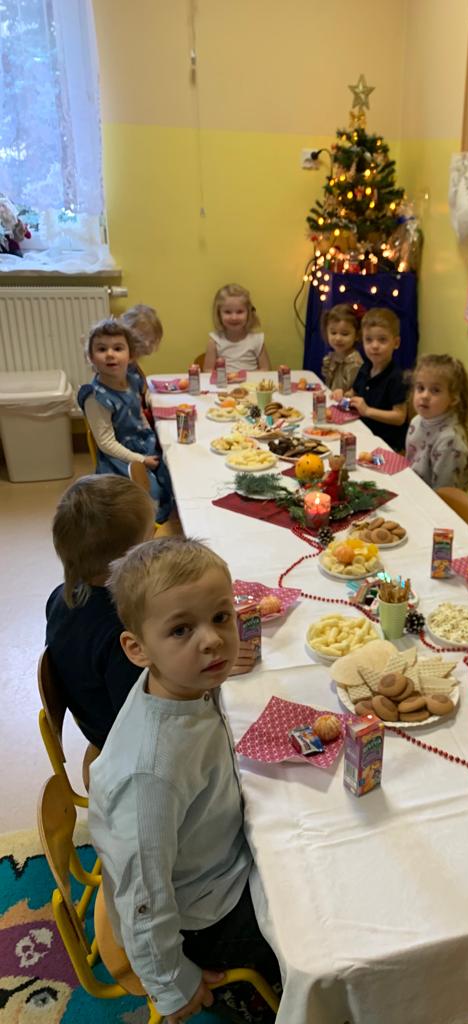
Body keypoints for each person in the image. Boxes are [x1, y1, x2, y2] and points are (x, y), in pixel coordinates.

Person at [89, 537, 280, 1024]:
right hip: (204, 918)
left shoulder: (180, 683)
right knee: (313, 929)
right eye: (181, 630)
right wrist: (171, 982)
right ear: (137, 649)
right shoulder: (151, 774)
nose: (212, 640)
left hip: (213, 861)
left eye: (220, 617)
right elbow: (143, 893)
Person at [45, 475, 156, 749]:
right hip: (120, 741)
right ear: (130, 558)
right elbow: (140, 721)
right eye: (150, 537)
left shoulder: (61, 595)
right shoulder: (122, 632)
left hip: (93, 717)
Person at [78, 318, 174, 523]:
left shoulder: (131, 378)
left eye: (118, 348)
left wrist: (152, 409)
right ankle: (146, 528)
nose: (110, 354)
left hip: (144, 443)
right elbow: (106, 443)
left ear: (131, 355)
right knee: (151, 494)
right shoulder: (96, 397)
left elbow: (140, 405)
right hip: (120, 457)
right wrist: (140, 460)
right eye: (101, 349)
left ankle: (172, 517)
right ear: (90, 357)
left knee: (173, 471)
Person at [405, 354, 468, 491]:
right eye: (420, 388)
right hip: (413, 488)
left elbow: (444, 495)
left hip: (433, 501)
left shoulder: (450, 441)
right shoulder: (417, 421)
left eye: (435, 390)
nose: (424, 396)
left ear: (454, 398)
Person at [347, 307, 408, 451]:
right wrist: (344, 395)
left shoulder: (396, 377)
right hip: (363, 433)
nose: (374, 346)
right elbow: (353, 392)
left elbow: (399, 417)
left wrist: (367, 411)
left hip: (386, 446)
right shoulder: (365, 368)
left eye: (382, 340)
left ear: (396, 343)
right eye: (369, 340)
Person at [204, 283, 270, 372]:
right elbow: (208, 370)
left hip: (251, 381)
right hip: (224, 381)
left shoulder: (257, 340)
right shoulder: (214, 341)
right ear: (219, 314)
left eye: (240, 312)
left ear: (248, 313)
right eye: (227, 312)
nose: (234, 318)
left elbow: (265, 369)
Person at [121, 303, 164, 424]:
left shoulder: (132, 365)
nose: (148, 345)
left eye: (152, 341)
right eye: (148, 340)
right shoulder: (122, 370)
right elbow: (129, 410)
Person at [322, 303, 363, 396]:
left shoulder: (354, 363)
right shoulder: (332, 357)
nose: (338, 338)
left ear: (357, 335)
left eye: (344, 334)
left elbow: (356, 392)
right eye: (333, 333)